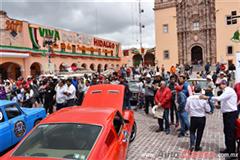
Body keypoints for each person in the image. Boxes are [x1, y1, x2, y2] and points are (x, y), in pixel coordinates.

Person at [200, 80, 238, 159]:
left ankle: (232, 154)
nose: (219, 86)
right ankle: (228, 149)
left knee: (230, 133)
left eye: (220, 85)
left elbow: (219, 98)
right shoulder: (225, 91)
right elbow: (227, 102)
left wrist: (206, 97)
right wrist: (220, 107)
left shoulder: (229, 91)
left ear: (224, 84)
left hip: (230, 114)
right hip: (227, 114)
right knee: (226, 132)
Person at [185, 85, 211, 152]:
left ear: (194, 91)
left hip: (193, 117)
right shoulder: (203, 99)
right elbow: (208, 109)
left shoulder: (189, 98)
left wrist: (191, 112)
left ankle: (192, 144)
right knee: (200, 132)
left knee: (192, 131)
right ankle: (197, 146)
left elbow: (186, 109)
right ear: (200, 91)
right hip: (201, 117)